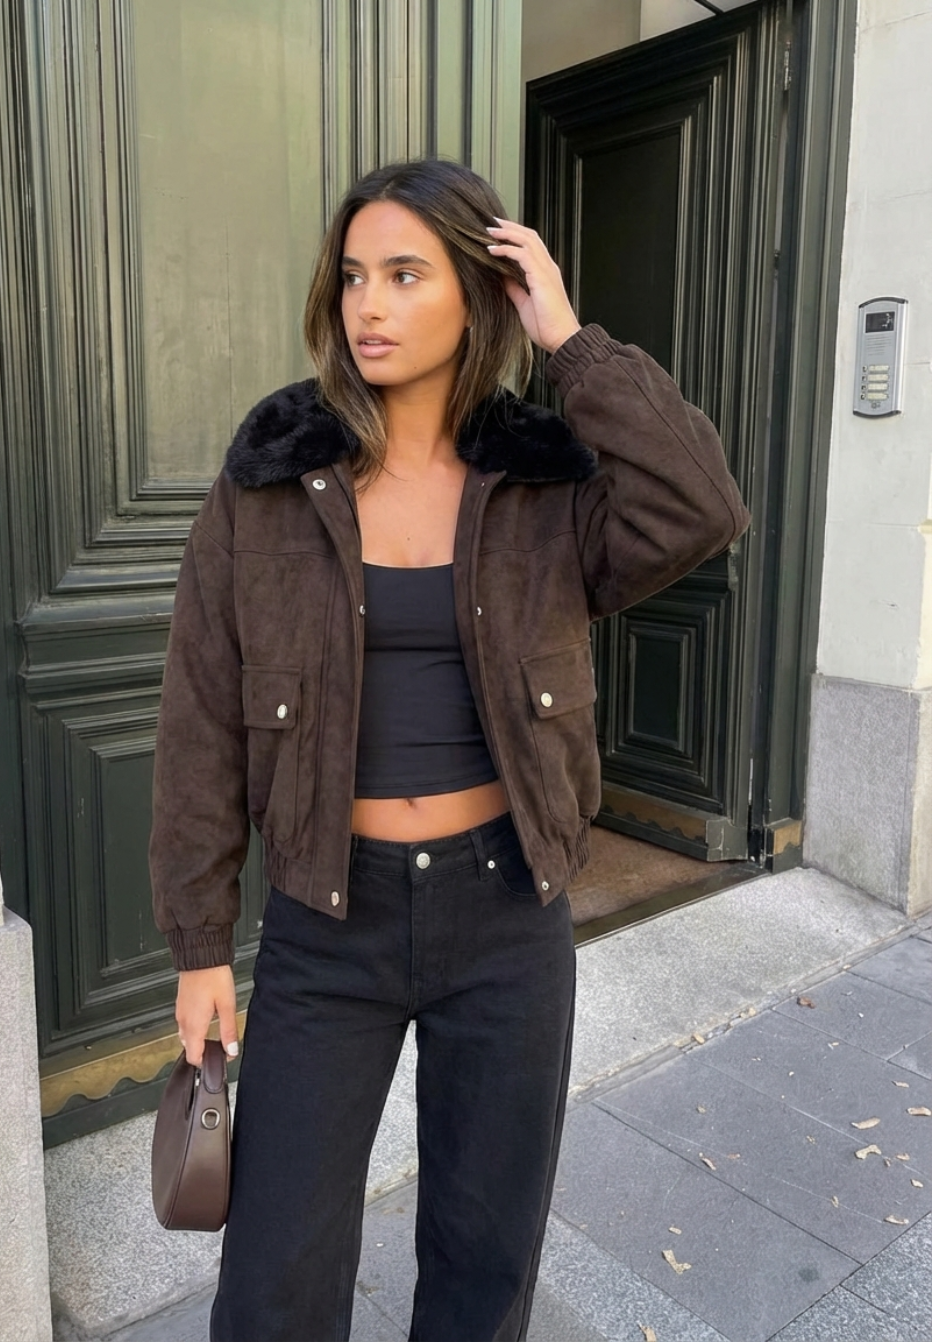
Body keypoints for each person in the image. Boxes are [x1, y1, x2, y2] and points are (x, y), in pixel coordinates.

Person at [149, 158, 750, 1342]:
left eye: (405, 275)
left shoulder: (543, 483)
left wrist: (570, 342)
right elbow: (201, 711)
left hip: (506, 913)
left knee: (484, 1258)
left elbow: (700, 506)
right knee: (273, 1278)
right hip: (329, 920)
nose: (368, 305)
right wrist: (200, 943)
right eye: (353, 276)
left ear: (477, 297)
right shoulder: (272, 481)